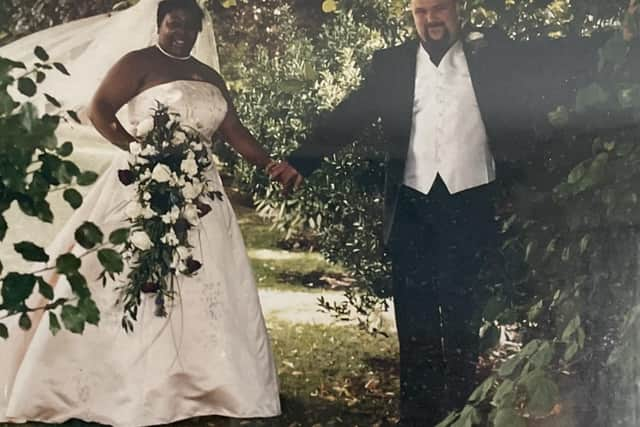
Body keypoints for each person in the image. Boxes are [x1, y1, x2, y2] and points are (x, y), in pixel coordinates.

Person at [273, 0, 639, 425]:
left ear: (458, 10)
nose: (431, 20)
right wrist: (302, 160)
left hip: (470, 204)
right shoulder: (391, 64)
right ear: (411, 15)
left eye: (440, 10)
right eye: (421, 11)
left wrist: (621, 35)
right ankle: (418, 417)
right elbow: (351, 113)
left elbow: (552, 54)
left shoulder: (492, 54)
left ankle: (460, 416)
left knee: (464, 322)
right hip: (412, 207)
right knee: (416, 325)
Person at [0, 0, 295, 425]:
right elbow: (98, 109)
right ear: (159, 24)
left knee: (204, 280)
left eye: (190, 27)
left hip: (201, 196)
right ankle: (120, 389)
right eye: (174, 25)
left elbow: (233, 131)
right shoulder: (137, 63)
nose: (182, 34)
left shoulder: (209, 76)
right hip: (140, 184)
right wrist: (139, 150)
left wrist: (270, 164)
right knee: (129, 274)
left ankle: (199, 385)